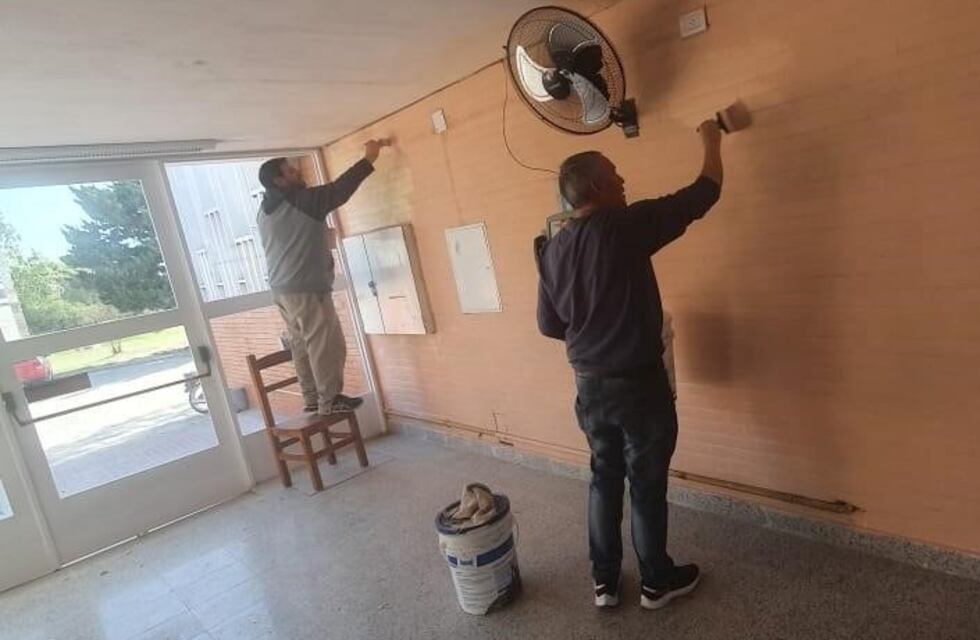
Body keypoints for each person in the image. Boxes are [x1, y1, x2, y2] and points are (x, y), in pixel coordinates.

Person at [535, 121, 723, 610]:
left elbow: (550, 325)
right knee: (646, 482)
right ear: (598, 186)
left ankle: (604, 582)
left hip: (589, 388)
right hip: (638, 386)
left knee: (603, 477)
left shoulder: (553, 249)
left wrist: (592, 330)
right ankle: (656, 583)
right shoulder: (624, 225)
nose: (623, 181)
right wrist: (711, 141)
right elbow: (703, 194)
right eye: (616, 175)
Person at [257, 140, 389, 415]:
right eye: (290, 171)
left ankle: (311, 399)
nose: (297, 171)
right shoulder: (300, 201)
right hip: (305, 289)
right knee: (325, 343)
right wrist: (369, 158)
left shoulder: (264, 210)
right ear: (279, 181)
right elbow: (339, 190)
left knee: (301, 345)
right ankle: (329, 400)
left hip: (282, 291)